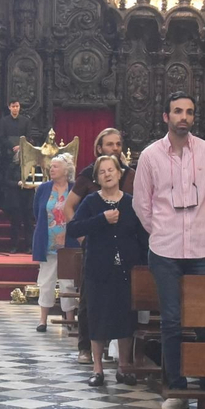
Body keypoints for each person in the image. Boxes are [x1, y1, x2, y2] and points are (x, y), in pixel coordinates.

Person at [132, 91, 205, 409]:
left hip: (202, 248)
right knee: (171, 321)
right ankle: (176, 388)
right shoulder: (150, 155)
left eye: (188, 111)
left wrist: (198, 225)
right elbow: (141, 203)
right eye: (177, 111)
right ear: (165, 117)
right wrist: (161, 229)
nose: (183, 116)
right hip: (165, 248)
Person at [68, 154, 148, 388]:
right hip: (97, 270)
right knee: (98, 318)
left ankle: (124, 367)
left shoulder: (131, 202)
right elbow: (73, 228)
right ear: (97, 178)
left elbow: (143, 236)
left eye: (111, 170)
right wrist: (102, 219)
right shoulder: (92, 202)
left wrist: (144, 265)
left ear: (119, 173)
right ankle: (98, 369)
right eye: (102, 172)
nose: (107, 174)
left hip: (125, 270)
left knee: (124, 318)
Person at [65, 127, 138, 365]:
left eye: (118, 144)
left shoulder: (130, 175)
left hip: (123, 253)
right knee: (91, 302)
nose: (115, 148)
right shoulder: (88, 176)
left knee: (123, 307)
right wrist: (85, 238)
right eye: (110, 144)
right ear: (99, 148)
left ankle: (122, 360)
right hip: (96, 249)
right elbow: (70, 210)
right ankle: (86, 348)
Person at [31, 155, 77, 333]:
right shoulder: (43, 189)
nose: (51, 169)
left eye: (56, 167)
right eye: (51, 167)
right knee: (46, 281)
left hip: (69, 243)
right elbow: (37, 211)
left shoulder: (74, 189)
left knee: (68, 282)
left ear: (66, 170)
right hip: (47, 241)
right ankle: (43, 320)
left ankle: (70, 320)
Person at [0, 99, 34, 251]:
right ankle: (14, 245)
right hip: (8, 155)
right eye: (13, 106)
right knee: (16, 219)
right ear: (9, 107)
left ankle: (29, 245)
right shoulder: (4, 121)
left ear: (19, 107)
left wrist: (22, 147)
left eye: (17, 106)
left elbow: (29, 137)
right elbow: (1, 137)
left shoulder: (26, 121)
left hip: (23, 158)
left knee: (28, 220)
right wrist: (13, 147)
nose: (15, 108)